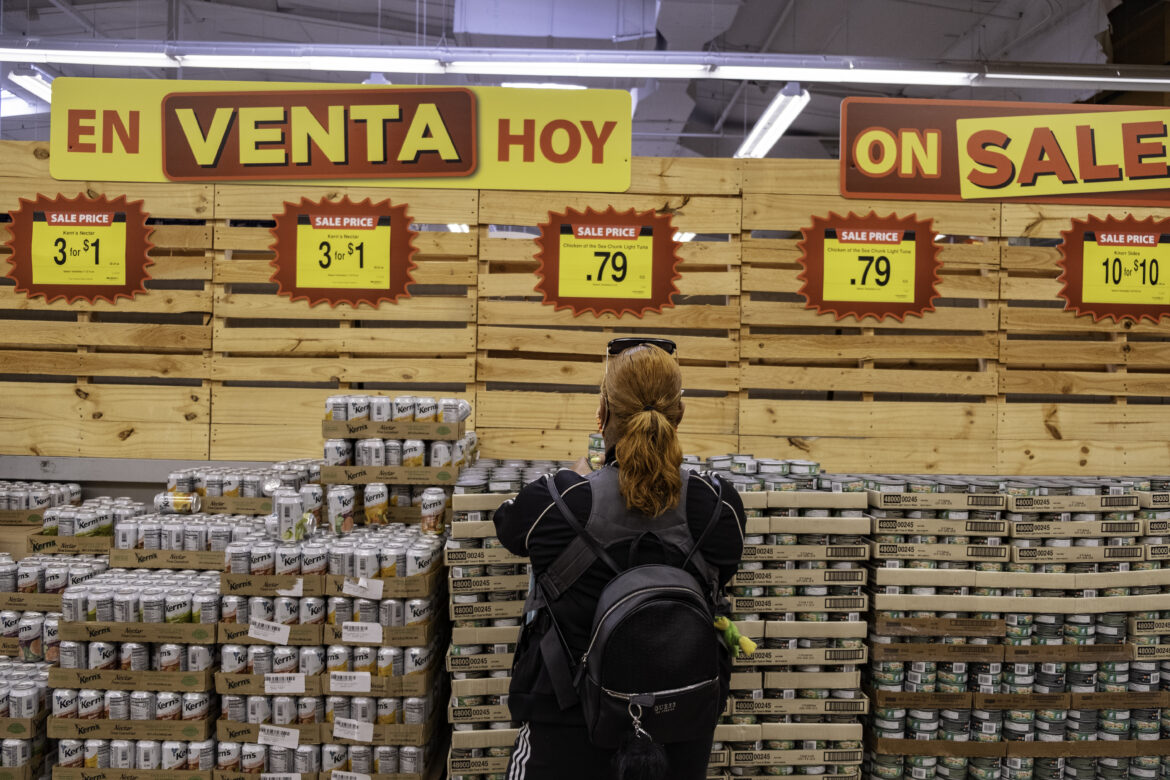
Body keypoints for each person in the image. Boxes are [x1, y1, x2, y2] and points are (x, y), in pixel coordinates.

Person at [493, 337, 747, 780]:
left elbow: (507, 527)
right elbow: (725, 568)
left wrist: (578, 474)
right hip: (679, 724)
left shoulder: (560, 501)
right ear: (679, 415)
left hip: (568, 724)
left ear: (603, 412)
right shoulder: (719, 504)